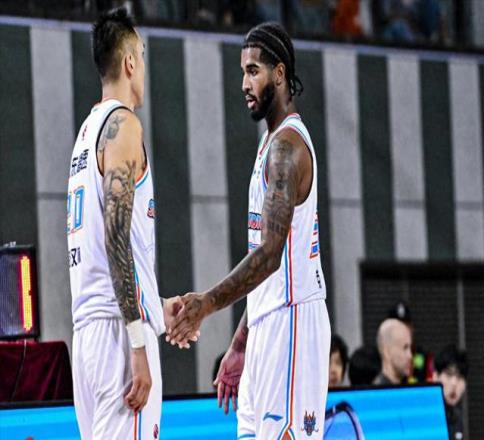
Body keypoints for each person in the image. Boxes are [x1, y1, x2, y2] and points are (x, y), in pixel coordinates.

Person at [167, 22, 331, 438]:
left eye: (254, 71)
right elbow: (264, 264)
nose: (244, 83)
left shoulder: (287, 149)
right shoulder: (269, 144)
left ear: (280, 73)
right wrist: (242, 341)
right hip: (266, 323)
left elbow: (270, 256)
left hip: (293, 320)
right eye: (243, 71)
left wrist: (207, 303)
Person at [67, 8, 194, 439]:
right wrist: (138, 340)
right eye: (142, 53)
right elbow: (115, 237)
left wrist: (156, 307)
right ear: (129, 62)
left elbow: (107, 251)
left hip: (89, 336)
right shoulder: (123, 126)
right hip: (119, 338)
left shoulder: (87, 133)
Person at [433, 345, 468, 440]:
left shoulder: (457, 417)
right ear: (435, 377)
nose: (454, 383)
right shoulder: (424, 413)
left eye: (460, 377)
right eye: (449, 374)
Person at [374, 318, 413, 385]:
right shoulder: (379, 390)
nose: (410, 356)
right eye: (405, 348)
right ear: (387, 353)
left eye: (410, 348)